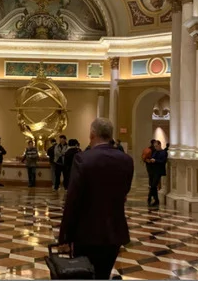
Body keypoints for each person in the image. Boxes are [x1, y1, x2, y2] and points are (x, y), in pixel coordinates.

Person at [59, 118, 133, 279]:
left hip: (87, 232)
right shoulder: (126, 160)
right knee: (103, 274)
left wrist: (65, 236)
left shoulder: (83, 159)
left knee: (85, 275)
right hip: (114, 231)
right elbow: (124, 192)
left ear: (92, 135)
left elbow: (73, 200)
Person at [142, 139, 167, 207]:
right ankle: (156, 200)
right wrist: (149, 160)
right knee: (153, 186)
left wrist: (155, 160)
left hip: (159, 171)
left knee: (153, 186)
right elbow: (152, 157)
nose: (155, 147)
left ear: (159, 145)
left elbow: (163, 161)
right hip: (153, 170)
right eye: (154, 146)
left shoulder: (163, 152)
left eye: (156, 146)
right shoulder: (155, 152)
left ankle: (150, 198)